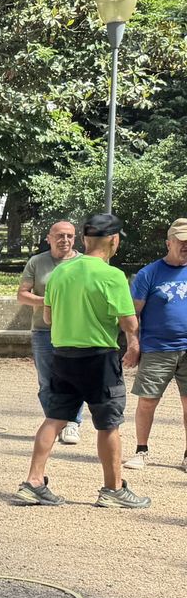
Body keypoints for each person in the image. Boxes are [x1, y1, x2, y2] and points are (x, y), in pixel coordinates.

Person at [14, 212, 146, 508]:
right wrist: (130, 340)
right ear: (114, 241)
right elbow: (129, 322)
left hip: (62, 356)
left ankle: (33, 482)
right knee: (108, 424)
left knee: (54, 418)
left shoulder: (60, 273)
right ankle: (113, 490)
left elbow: (48, 317)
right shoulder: (112, 276)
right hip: (99, 359)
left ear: (84, 240)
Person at [121, 219, 187, 472]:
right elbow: (132, 314)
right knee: (148, 401)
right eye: (181, 241)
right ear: (169, 243)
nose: (186, 245)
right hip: (157, 348)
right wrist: (133, 345)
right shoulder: (149, 273)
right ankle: (141, 450)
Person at [18, 220, 83, 445]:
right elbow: (22, 294)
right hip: (43, 331)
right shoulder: (37, 262)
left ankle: (73, 422)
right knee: (46, 381)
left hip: (75, 332)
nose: (65, 240)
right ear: (49, 238)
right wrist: (48, 301)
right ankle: (55, 422)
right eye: (59, 236)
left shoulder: (83, 263)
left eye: (69, 236)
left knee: (74, 379)